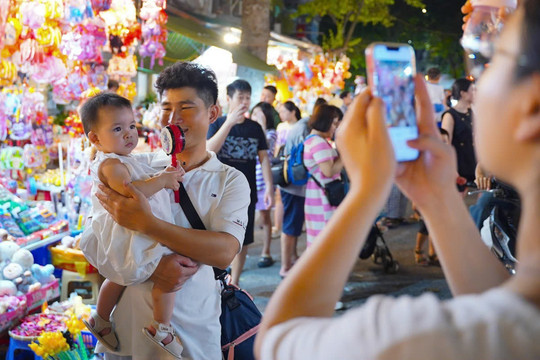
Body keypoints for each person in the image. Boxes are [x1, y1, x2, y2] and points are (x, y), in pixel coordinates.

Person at [255, 1, 540, 358]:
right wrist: (435, 197)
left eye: (491, 61)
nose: (473, 86)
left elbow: (278, 338)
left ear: (531, 106)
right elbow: (501, 306)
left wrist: (365, 193)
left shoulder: (410, 341)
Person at [81, 62, 250, 360]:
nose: (173, 118)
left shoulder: (229, 180)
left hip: (192, 338)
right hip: (126, 337)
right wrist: (152, 268)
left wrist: (147, 224)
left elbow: (224, 251)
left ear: (212, 113)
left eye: (186, 107)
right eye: (165, 108)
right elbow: (100, 236)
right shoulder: (135, 166)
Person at [79, 93, 186, 358]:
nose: (128, 134)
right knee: (168, 273)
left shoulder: (124, 159)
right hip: (130, 235)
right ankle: (162, 327)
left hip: (130, 234)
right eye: (117, 128)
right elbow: (130, 192)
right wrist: (162, 180)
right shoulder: (111, 165)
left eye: (131, 126)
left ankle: (101, 319)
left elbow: (144, 169)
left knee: (117, 277)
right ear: (95, 138)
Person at [207, 79, 274, 286]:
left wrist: (270, 187)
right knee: (216, 235)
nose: (245, 102)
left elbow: (264, 159)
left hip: (247, 192)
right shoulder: (217, 123)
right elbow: (209, 151)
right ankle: (215, 280)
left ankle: (234, 283)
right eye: (240, 97)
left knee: (242, 238)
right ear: (228, 99)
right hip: (218, 192)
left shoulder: (255, 128)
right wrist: (229, 123)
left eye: (247, 97)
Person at [278, 98, 326, 278]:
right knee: (290, 227)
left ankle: (293, 258)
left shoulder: (303, 125)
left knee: (294, 225)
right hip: (293, 186)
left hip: (295, 185)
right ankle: (285, 267)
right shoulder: (306, 128)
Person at [303, 104, 344, 247]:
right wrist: (345, 154)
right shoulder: (318, 142)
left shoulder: (311, 139)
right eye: (334, 123)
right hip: (323, 198)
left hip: (318, 195)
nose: (335, 128)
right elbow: (329, 171)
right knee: (326, 240)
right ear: (325, 121)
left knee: (318, 238)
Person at [414, 128, 451, 266]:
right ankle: (418, 250)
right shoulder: (426, 159)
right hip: (426, 198)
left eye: (445, 142)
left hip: (441, 198)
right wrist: (415, 201)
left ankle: (432, 252)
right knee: (425, 227)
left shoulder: (448, 157)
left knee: (436, 227)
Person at [250, 102, 278, 268]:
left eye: (259, 115)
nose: (255, 117)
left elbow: (265, 147)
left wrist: (259, 125)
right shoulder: (250, 131)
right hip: (250, 179)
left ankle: (266, 251)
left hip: (263, 181)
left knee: (266, 218)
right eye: (253, 114)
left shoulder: (271, 133)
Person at [271, 101, 301, 238]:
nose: (281, 114)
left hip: (294, 166)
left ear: (293, 112)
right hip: (281, 165)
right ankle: (278, 227)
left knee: (294, 197)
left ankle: (293, 227)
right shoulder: (281, 126)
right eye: (280, 111)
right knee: (279, 195)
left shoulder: (300, 126)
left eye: (284, 111)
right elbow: (277, 146)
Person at [441, 78, 477, 188]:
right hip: (459, 166)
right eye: (473, 90)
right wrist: (452, 170)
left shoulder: (471, 113)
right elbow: (445, 144)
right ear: (463, 93)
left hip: (473, 164)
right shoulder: (450, 115)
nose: (476, 93)